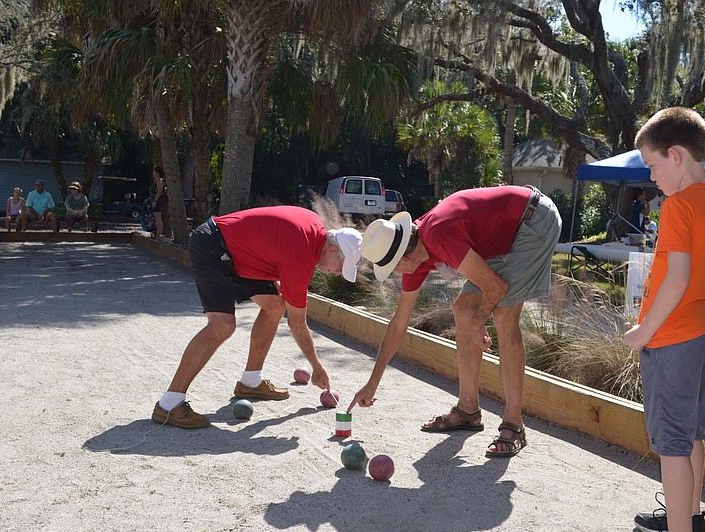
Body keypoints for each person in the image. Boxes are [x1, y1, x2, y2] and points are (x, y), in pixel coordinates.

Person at [349, 185, 562, 458]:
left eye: (392, 268)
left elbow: (496, 289)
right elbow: (399, 323)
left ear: (403, 257)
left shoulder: (438, 236)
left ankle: (514, 423)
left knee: (503, 314)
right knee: (463, 309)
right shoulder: (417, 255)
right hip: (503, 234)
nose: (393, 274)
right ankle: (468, 410)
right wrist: (372, 382)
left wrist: (477, 325)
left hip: (534, 219)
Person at [621, 107, 705, 532]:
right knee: (692, 438)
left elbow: (677, 278)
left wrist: (644, 330)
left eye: (653, 164)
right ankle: (691, 521)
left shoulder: (679, 205)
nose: (651, 174)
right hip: (703, 332)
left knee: (671, 447)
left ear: (677, 156)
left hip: (673, 338)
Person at [152, 206, 362, 429]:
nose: (337, 273)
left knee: (274, 305)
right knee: (222, 325)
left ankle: (251, 381)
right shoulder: (300, 257)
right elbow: (297, 323)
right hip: (213, 246)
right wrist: (317, 367)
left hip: (238, 252)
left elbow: (272, 236)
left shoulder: (313, 227)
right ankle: (169, 403)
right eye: (341, 267)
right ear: (331, 250)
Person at [150, 166, 168, 240]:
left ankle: (159, 235)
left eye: (154, 172)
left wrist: (155, 201)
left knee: (158, 218)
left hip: (158, 202)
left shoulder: (159, 181)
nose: (153, 173)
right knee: (156, 218)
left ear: (157, 173)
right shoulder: (156, 181)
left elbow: (159, 192)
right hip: (154, 201)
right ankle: (156, 233)